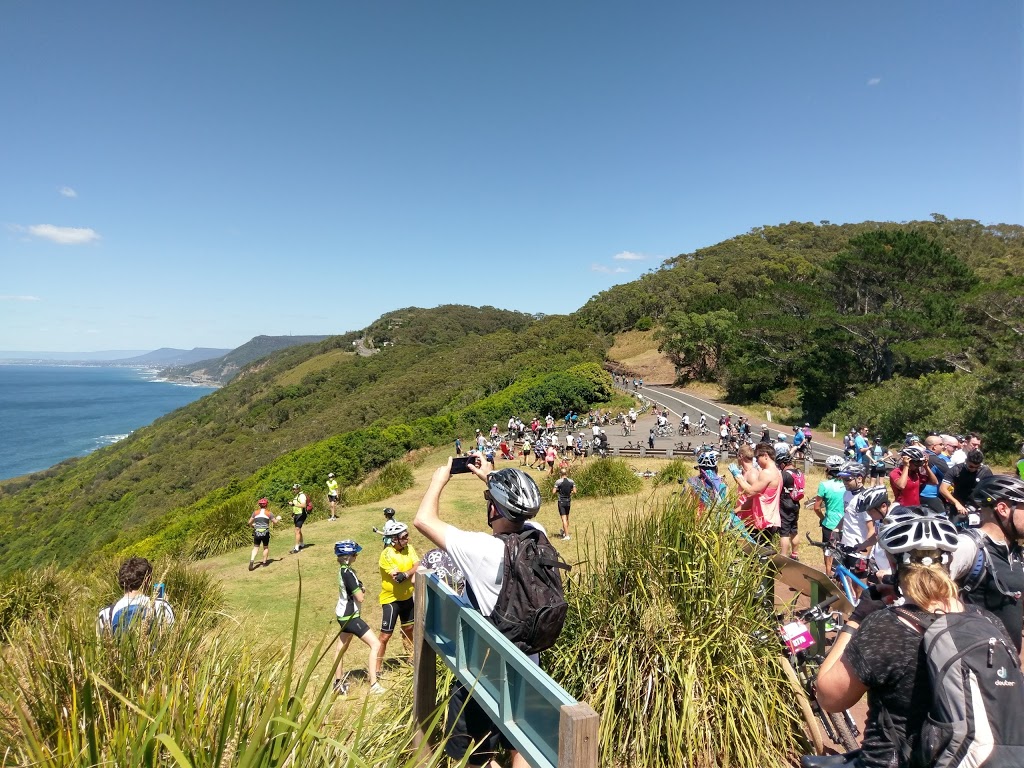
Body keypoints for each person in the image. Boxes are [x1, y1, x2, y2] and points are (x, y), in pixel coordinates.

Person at [414, 459, 554, 768]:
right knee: (522, 747)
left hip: (482, 670)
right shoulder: (538, 536)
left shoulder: (481, 550)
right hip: (528, 662)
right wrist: (489, 477)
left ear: (494, 509)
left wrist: (439, 480)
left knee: (475, 755)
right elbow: (516, 508)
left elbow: (423, 520)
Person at [815, 508, 965, 768]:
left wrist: (857, 619)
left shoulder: (887, 627)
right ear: (948, 561)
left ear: (893, 563)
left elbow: (829, 697)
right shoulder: (986, 622)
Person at [948, 475, 1024, 651]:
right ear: (1003, 509)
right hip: (973, 666)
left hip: (1007, 668)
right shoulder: (967, 547)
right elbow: (928, 601)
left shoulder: (1015, 552)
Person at [331, 540, 385, 695]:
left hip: (343, 616)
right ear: (348, 556)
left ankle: (338, 683)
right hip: (351, 617)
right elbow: (360, 597)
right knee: (375, 644)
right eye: (354, 554)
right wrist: (361, 589)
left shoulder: (344, 570)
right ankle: (374, 684)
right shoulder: (348, 573)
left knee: (340, 649)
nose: (356, 555)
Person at [377, 519, 419, 674]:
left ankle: (411, 657)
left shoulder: (409, 548)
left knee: (409, 628)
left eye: (407, 535)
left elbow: (417, 565)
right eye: (404, 536)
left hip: (407, 597)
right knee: (385, 636)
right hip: (391, 600)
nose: (407, 539)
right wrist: (409, 573)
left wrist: (407, 573)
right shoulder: (386, 554)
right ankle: (376, 668)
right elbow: (397, 577)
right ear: (394, 539)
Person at [97, 556, 175, 634]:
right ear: (148, 581)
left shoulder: (105, 614)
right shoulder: (161, 607)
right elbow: (171, 637)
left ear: (121, 582)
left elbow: (102, 644)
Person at [730, 442, 782, 548]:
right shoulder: (777, 472)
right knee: (763, 552)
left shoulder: (766, 473)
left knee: (758, 554)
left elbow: (751, 492)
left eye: (758, 457)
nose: (756, 461)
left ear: (765, 456)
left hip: (764, 521)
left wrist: (737, 476)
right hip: (770, 519)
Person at [813, 456, 848, 573]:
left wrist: (823, 519)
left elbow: (817, 508)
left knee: (828, 551)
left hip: (830, 523)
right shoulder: (848, 484)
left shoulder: (824, 485)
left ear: (828, 469)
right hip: (846, 524)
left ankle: (828, 575)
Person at [939, 449, 993, 518]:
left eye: (977, 467)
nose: (974, 469)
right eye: (971, 466)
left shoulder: (985, 471)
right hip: (958, 505)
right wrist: (956, 503)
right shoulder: (956, 469)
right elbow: (942, 489)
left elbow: (991, 490)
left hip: (977, 507)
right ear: (966, 461)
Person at [776, 447, 801, 560]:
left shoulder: (785, 474)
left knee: (784, 532)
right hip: (795, 503)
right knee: (794, 529)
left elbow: (778, 488)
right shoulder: (799, 472)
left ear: (783, 463)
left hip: (785, 504)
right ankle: (795, 554)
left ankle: (783, 556)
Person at [248, 497, 281, 570]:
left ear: (259, 505)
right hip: (265, 532)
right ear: (266, 505)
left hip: (257, 532)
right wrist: (278, 519)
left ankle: (252, 561)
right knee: (265, 547)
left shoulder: (255, 512)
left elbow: (249, 522)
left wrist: (253, 526)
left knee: (256, 547)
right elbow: (275, 522)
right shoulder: (269, 513)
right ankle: (264, 563)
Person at [552, 467, 576, 540]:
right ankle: (565, 532)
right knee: (567, 518)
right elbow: (574, 491)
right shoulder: (571, 481)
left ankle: (567, 536)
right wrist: (569, 491)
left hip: (561, 501)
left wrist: (558, 491)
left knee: (564, 519)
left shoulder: (558, 482)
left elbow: (553, 492)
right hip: (568, 501)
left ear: (560, 474)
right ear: (566, 473)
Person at [286, 483, 308, 553]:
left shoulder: (302, 496)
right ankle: (301, 544)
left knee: (297, 530)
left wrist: (293, 504)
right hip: (297, 514)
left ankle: (296, 547)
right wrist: (293, 513)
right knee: (298, 530)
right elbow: (296, 506)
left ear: (298, 489)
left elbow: (304, 505)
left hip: (301, 514)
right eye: (293, 489)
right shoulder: (296, 496)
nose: (294, 490)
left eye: (295, 489)